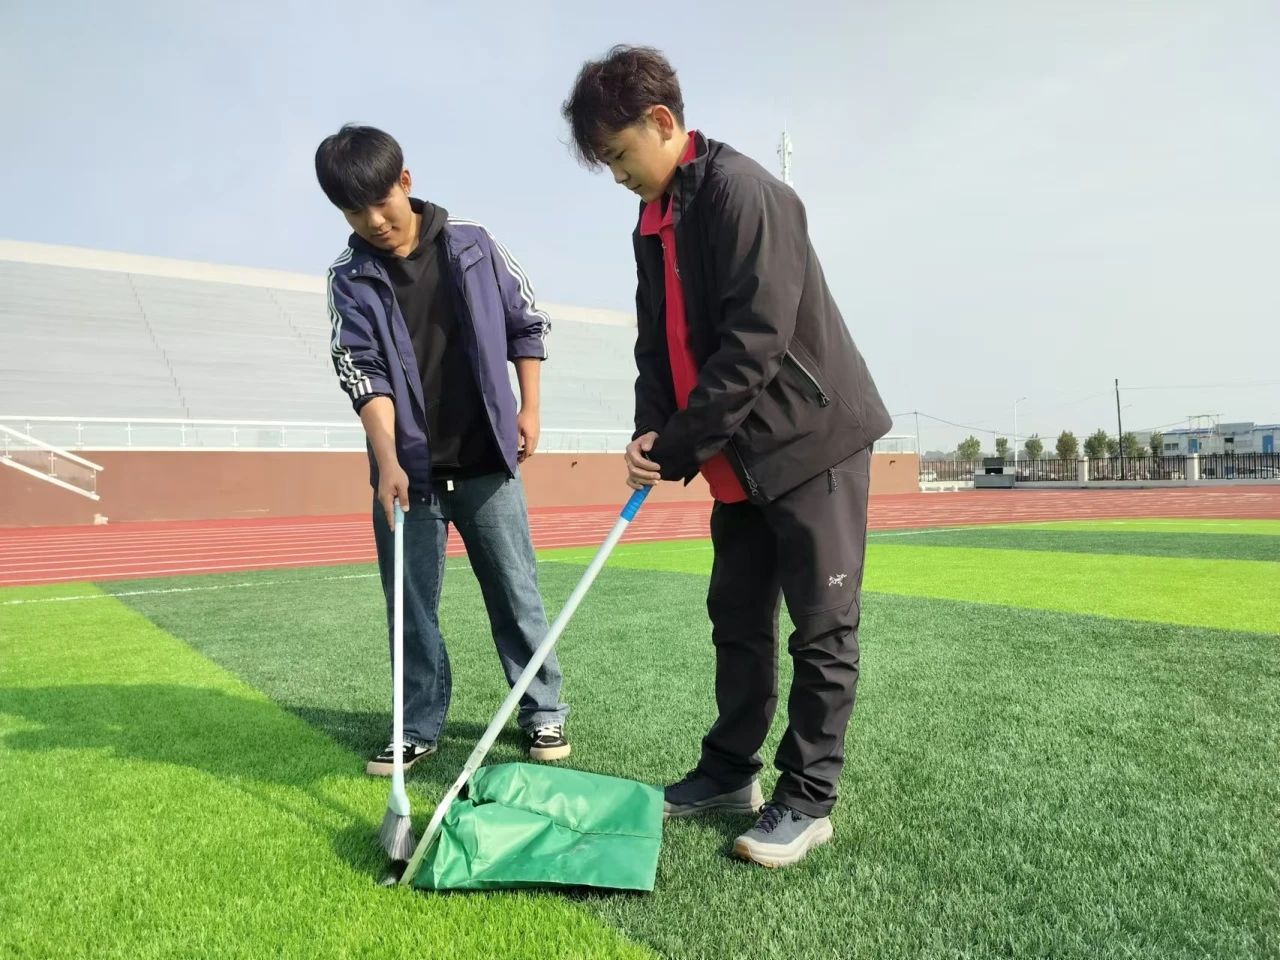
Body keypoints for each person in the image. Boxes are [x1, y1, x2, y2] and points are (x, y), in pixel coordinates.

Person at [562, 48, 892, 866]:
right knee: (737, 618)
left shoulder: (746, 193)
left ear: (662, 122)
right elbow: (657, 344)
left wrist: (678, 445)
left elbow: (755, 342)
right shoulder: (654, 219)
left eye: (619, 156)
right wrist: (651, 430)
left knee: (821, 628)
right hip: (739, 455)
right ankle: (728, 773)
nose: (617, 176)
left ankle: (807, 798)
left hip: (810, 442)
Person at [315, 124, 570, 773]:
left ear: (405, 182)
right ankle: (417, 724)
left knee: (516, 595)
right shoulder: (349, 277)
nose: (374, 221)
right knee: (410, 610)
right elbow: (361, 370)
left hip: (487, 462)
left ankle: (543, 711)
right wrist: (389, 462)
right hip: (409, 475)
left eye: (382, 202)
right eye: (354, 211)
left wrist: (530, 407)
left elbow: (525, 322)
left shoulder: (472, 243)